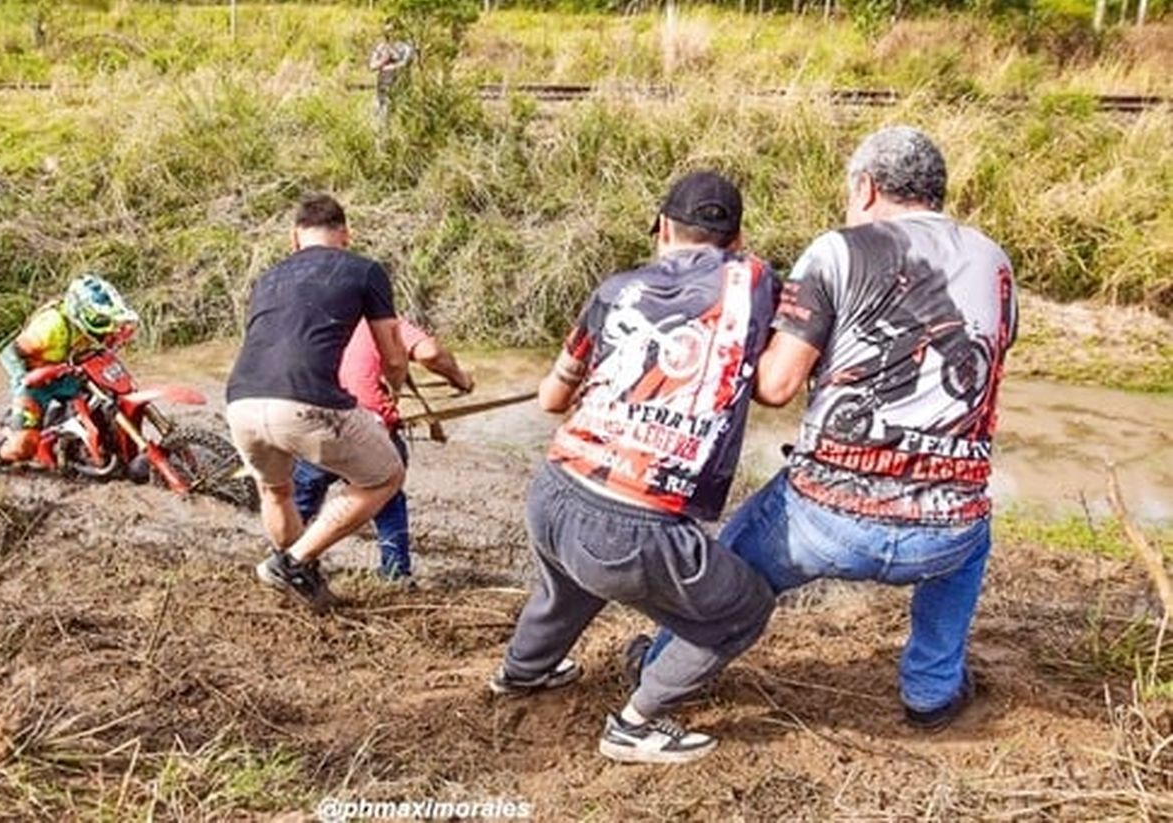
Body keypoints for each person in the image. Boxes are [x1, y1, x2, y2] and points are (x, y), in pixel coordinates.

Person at [682, 126, 1017, 732]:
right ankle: (932, 691)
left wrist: (738, 346)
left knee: (734, 558)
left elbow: (777, 388)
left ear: (865, 188)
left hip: (828, 521)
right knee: (971, 529)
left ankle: (668, 669)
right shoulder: (995, 261)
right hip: (945, 529)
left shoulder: (838, 249)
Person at [489, 170, 779, 766]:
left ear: (662, 229)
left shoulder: (614, 290)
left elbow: (550, 399)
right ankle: (637, 722)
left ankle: (522, 672)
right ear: (738, 235)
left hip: (555, 489)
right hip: (632, 526)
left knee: (564, 585)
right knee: (742, 608)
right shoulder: (753, 280)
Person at [225, 192, 410, 612]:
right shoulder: (365, 271)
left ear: (295, 238)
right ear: (345, 235)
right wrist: (393, 388)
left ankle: (300, 580)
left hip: (241, 401)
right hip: (306, 401)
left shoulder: (267, 278)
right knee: (385, 477)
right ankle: (291, 562)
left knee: (276, 491)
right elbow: (394, 354)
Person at [291, 316, 474, 584]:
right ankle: (395, 573)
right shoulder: (383, 321)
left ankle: (286, 560)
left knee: (303, 496)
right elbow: (431, 353)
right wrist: (460, 379)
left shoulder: (321, 317)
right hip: (363, 425)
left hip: (315, 418)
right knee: (387, 495)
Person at [0, 274, 140, 480]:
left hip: (70, 376)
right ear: (82, 313)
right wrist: (25, 378)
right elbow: (9, 353)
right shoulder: (51, 326)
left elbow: (103, 346)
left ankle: (103, 452)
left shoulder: (92, 328)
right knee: (23, 446)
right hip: (37, 382)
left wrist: (118, 337)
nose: (108, 326)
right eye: (102, 320)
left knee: (108, 404)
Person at [367, 19, 414, 120]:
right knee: (382, 115)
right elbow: (372, 66)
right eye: (387, 30)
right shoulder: (381, 47)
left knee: (401, 114)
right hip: (383, 86)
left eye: (392, 30)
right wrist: (384, 60)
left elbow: (405, 64)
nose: (389, 33)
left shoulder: (406, 47)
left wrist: (389, 65)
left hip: (401, 85)